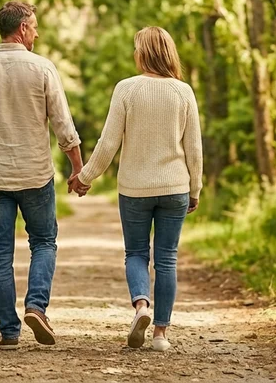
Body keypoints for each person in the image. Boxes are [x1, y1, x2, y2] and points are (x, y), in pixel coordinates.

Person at [0, 1, 85, 351]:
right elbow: (63, 125)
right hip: (36, 175)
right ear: (23, 28)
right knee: (43, 242)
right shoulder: (42, 68)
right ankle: (36, 306)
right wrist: (77, 167)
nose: (38, 33)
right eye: (35, 26)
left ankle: (9, 332)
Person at [69, 26, 203, 352]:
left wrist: (85, 177)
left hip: (134, 189)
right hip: (175, 187)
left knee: (136, 253)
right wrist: (195, 188)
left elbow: (108, 142)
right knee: (167, 259)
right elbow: (194, 148)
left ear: (142, 54)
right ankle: (160, 334)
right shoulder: (183, 91)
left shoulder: (127, 89)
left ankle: (141, 306)